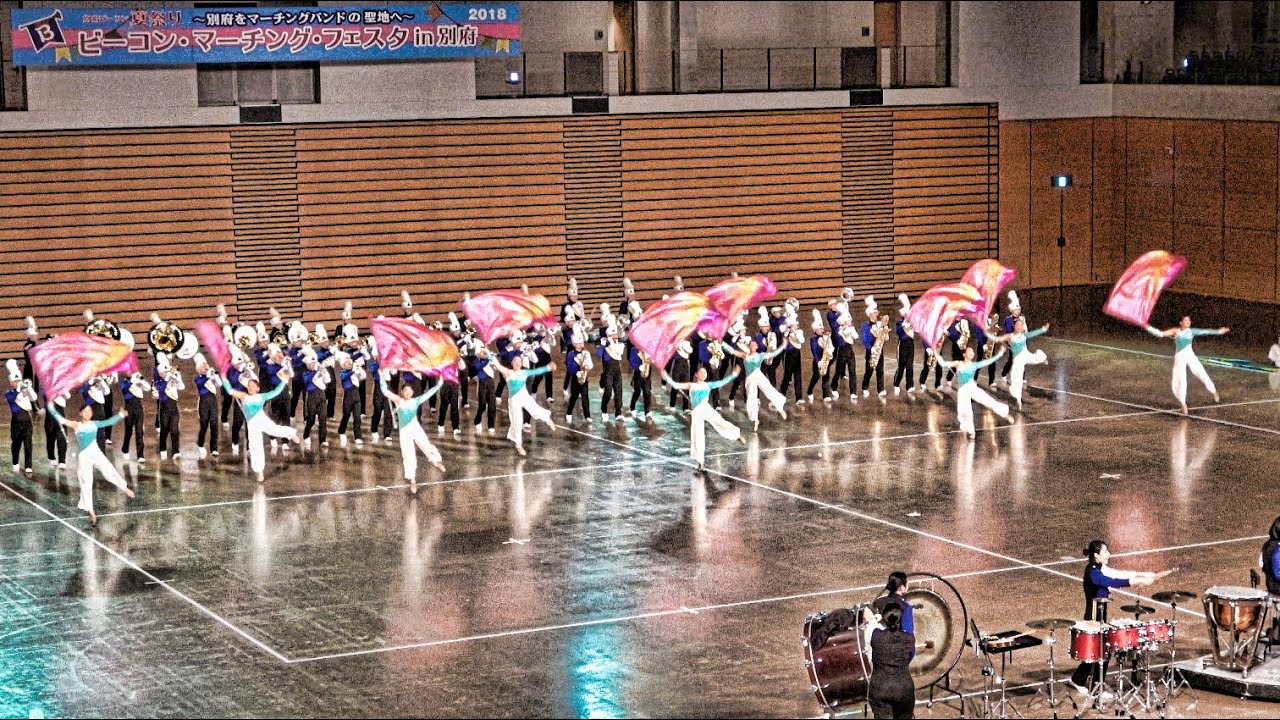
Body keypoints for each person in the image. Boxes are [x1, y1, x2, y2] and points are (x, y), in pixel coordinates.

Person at [1068, 540, 1166, 692]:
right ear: (1096, 555)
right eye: (1105, 552)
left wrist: (1142, 575)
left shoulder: (1101, 568)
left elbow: (1118, 574)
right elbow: (1111, 581)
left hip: (1101, 613)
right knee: (1101, 650)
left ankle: (1080, 680)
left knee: (1101, 650)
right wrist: (1134, 581)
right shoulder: (1092, 572)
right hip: (1093, 615)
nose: (1109, 554)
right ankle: (1095, 687)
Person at [47, 404, 133, 526]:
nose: (88, 413)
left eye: (90, 411)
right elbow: (61, 419)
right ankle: (91, 511)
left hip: (95, 452)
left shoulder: (94, 424)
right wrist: (51, 407)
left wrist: (120, 414)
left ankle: (125, 488)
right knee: (86, 482)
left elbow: (108, 422)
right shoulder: (77, 425)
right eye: (85, 411)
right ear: (80, 413)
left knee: (109, 470)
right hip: (84, 457)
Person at [660, 366, 744, 470]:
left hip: (706, 408)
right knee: (697, 436)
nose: (704, 374)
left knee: (721, 422)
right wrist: (666, 376)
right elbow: (675, 385)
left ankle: (736, 434)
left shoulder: (708, 385)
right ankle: (701, 461)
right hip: (696, 412)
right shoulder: (691, 385)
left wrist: (734, 374)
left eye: (705, 373)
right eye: (701, 372)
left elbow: (722, 382)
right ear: (696, 374)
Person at [222, 375, 298, 483]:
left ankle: (291, 433)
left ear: (258, 388)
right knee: (255, 446)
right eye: (249, 385)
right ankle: (259, 471)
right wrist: (224, 378)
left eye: (253, 386)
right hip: (252, 424)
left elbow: (276, 392)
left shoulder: (261, 396)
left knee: (275, 430)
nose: (251, 387)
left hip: (261, 419)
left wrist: (284, 381)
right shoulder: (244, 396)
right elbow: (230, 391)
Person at [1146, 316, 1228, 413]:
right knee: (1180, 379)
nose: (1188, 322)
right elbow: (1160, 334)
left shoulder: (1191, 331)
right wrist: (1147, 327)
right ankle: (1183, 403)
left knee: (1201, 373)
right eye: (1186, 320)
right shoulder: (1175, 331)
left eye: (1189, 320)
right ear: (1181, 322)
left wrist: (1219, 331)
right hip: (1179, 357)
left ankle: (1213, 391)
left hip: (1190, 355)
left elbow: (1205, 331)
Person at [379, 375, 446, 489]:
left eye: (410, 391)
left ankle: (435, 461)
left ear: (413, 392)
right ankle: (412, 479)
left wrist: (439, 384)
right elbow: (385, 391)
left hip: (415, 427)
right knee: (408, 453)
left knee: (426, 444)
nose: (408, 393)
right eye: (405, 390)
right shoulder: (398, 400)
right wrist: (381, 377)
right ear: (402, 392)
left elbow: (429, 393)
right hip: (405, 431)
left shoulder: (416, 401)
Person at [491, 355, 557, 456]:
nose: (517, 363)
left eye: (519, 361)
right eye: (515, 361)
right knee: (517, 422)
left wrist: (548, 367)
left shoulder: (524, 372)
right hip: (514, 400)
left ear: (522, 364)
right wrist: (490, 357)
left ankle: (547, 419)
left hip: (524, 395)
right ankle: (518, 445)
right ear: (512, 363)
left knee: (534, 408)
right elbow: (497, 365)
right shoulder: (508, 372)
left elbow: (536, 371)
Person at [941, 345, 1011, 439]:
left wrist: (1000, 354)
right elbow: (943, 363)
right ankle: (971, 431)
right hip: (962, 390)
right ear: (964, 354)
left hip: (972, 387)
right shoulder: (958, 363)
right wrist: (935, 352)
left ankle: (1005, 413)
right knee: (965, 411)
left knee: (988, 400)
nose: (972, 353)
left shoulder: (974, 365)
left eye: (972, 352)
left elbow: (988, 361)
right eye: (969, 351)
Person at [722, 339, 787, 431]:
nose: (752, 346)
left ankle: (780, 408)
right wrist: (723, 343)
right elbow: (732, 351)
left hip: (758, 375)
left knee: (769, 390)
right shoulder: (745, 355)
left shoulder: (761, 355)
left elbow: (773, 354)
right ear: (749, 346)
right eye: (751, 345)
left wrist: (782, 346)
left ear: (757, 347)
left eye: (754, 345)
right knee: (751, 397)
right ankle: (755, 419)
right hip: (750, 379)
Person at [867, 599, 916, 719]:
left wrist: (877, 618)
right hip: (903, 688)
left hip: (880, 688)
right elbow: (910, 657)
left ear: (884, 619)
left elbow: (870, 622)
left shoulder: (875, 635)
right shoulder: (909, 639)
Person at [996, 319, 1050, 410]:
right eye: (1017, 325)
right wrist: (993, 336)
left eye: (1021, 325)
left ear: (1022, 327)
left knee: (1037, 355)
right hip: (1017, 360)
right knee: (1017, 380)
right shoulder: (1010, 336)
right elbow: (999, 339)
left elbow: (1033, 333)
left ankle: (1043, 359)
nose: (1019, 327)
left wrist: (1043, 329)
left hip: (1025, 355)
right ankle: (1018, 400)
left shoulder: (1024, 335)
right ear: (1014, 326)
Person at [6, 360, 37, 474]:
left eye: (18, 380)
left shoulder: (24, 390)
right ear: (11, 382)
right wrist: (21, 389)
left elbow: (34, 398)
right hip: (16, 422)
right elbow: (14, 400)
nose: (17, 383)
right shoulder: (9, 393)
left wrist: (28, 388)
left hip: (27, 421)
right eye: (15, 381)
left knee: (28, 444)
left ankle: (28, 466)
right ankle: (15, 463)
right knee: (16, 444)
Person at [118, 372, 150, 463]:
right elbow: (124, 388)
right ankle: (125, 448)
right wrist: (133, 381)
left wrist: (141, 381)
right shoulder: (124, 381)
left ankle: (140, 455)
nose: (130, 373)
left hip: (138, 407)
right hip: (129, 407)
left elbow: (148, 388)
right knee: (129, 431)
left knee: (139, 431)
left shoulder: (137, 379)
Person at [194, 354, 221, 459]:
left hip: (212, 401)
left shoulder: (210, 376)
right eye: (202, 367)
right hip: (203, 402)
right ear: (198, 369)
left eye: (206, 367)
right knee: (204, 424)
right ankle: (200, 443)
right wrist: (209, 376)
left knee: (214, 424)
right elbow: (201, 384)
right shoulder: (198, 378)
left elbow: (219, 385)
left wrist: (215, 377)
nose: (205, 369)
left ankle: (214, 448)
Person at [892, 295, 915, 395]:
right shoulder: (899, 323)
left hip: (910, 345)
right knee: (901, 367)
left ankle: (909, 385)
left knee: (910, 366)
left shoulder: (912, 323)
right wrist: (905, 325)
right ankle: (896, 384)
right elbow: (900, 333)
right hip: (902, 346)